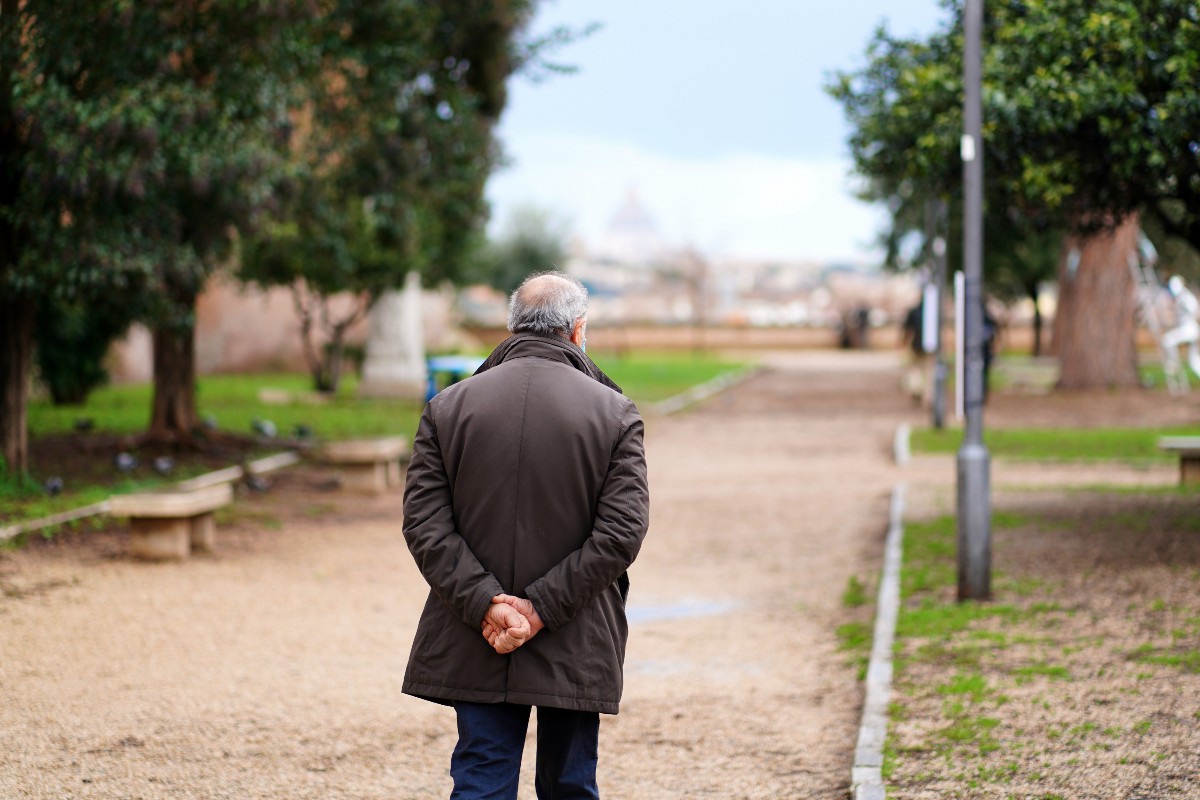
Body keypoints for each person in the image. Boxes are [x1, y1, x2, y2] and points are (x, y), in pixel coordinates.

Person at [402, 271, 651, 800]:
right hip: (575, 628)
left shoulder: (448, 408)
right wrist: (539, 608)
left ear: (512, 327)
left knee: (481, 777)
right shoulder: (614, 412)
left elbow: (424, 522)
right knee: (569, 783)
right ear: (578, 330)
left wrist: (489, 604)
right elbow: (622, 532)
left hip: (476, 631)